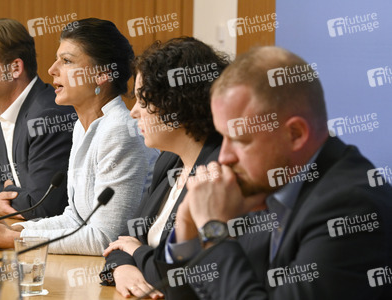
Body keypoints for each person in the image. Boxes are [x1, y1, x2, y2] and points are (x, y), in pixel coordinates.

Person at [152, 46, 392, 299]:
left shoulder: (352, 208)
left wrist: (214, 231)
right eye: (223, 137)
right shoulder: (263, 186)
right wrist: (187, 226)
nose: (224, 157)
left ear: (296, 134)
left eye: (241, 140)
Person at [0, 18, 159, 255]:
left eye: (66, 61)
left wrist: (15, 239)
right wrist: (13, 229)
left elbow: (105, 237)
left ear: (102, 75)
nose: (51, 69)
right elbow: (74, 217)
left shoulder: (119, 131)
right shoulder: (82, 127)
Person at [100, 37, 229, 299]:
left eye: (142, 100)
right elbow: (122, 240)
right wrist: (123, 269)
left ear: (176, 103)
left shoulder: (218, 172)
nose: (134, 111)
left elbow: (189, 275)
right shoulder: (169, 162)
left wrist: (137, 254)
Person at [0, 19, 75, 220]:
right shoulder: (1, 116)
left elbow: (43, 206)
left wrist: (7, 193)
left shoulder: (47, 116)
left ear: (15, 68)